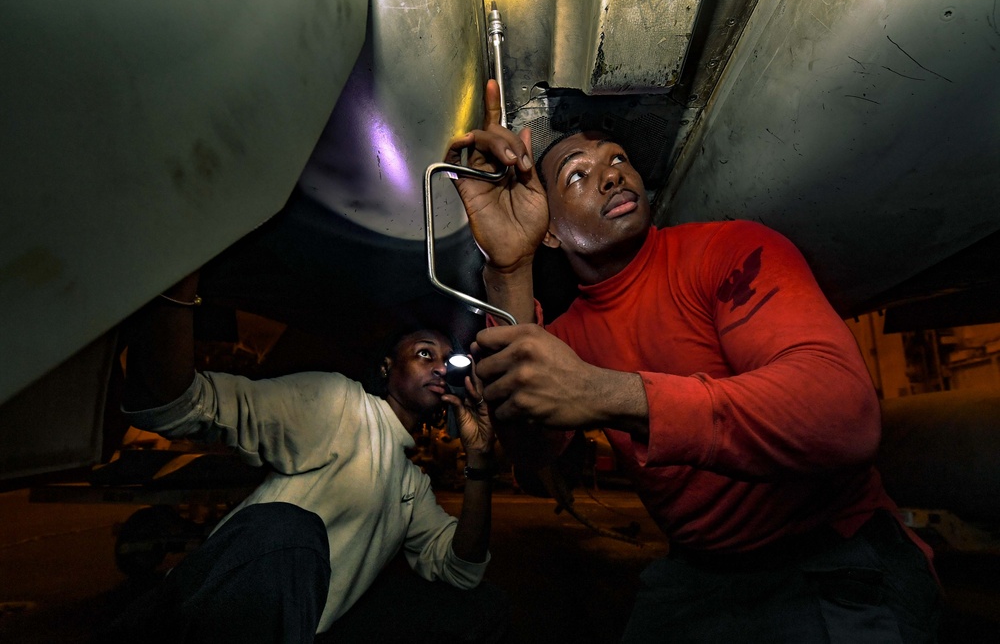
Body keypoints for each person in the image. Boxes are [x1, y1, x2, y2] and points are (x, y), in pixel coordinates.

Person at [445, 80, 942, 642]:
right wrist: (510, 268)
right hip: (700, 570)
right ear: (552, 232)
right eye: (578, 176)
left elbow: (844, 416)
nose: (612, 175)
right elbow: (534, 451)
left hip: (831, 548)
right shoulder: (569, 339)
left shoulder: (727, 251)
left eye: (620, 161)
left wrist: (608, 394)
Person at [98, 270, 507, 643]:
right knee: (289, 527)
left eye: (445, 360)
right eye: (423, 354)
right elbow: (186, 405)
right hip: (206, 614)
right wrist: (176, 284)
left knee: (479, 606)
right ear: (386, 367)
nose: (438, 368)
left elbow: (461, 567)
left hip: (298, 626)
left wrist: (480, 459)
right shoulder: (339, 401)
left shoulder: (410, 485)